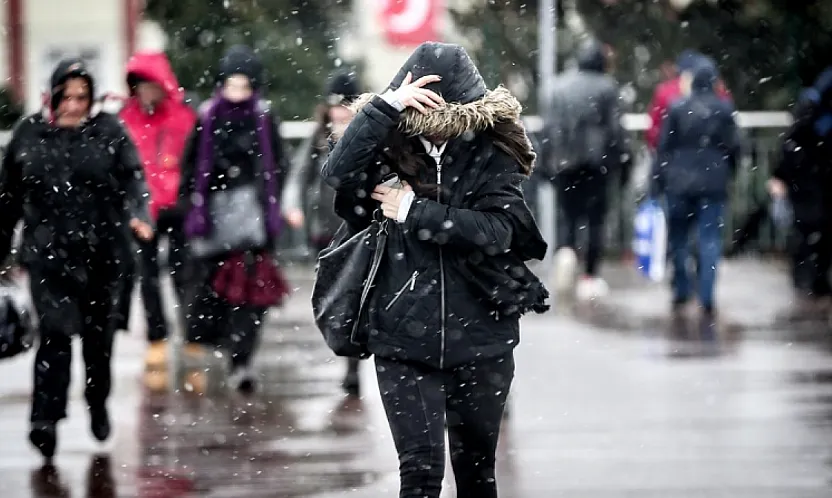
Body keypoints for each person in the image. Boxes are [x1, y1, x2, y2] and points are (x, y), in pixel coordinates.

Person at [322, 41, 548, 498]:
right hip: (402, 336)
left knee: (477, 475)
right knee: (420, 476)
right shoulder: (386, 146)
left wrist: (415, 211)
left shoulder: (490, 152)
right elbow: (337, 174)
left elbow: (500, 229)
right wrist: (384, 107)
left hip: (482, 335)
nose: (437, 133)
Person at [0, 58, 153, 458]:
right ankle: (44, 420)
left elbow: (135, 179)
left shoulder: (109, 132)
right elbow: (7, 199)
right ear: (51, 97)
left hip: (103, 256)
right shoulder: (29, 134)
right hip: (47, 257)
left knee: (97, 343)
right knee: (54, 337)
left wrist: (139, 215)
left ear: (91, 99)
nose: (73, 105)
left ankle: (97, 402)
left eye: (81, 98)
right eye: (65, 97)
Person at [179, 45, 290, 394]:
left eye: (244, 85)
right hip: (211, 223)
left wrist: (268, 207)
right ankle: (224, 347)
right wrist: (193, 206)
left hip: (253, 225)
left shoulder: (263, 118)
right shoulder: (207, 117)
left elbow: (278, 167)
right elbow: (190, 167)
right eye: (232, 84)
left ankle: (242, 361)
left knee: (250, 297)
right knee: (210, 294)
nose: (238, 92)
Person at [283, 69, 363, 396]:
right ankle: (345, 349)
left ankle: (353, 364)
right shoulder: (319, 140)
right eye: (335, 105)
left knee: (356, 296)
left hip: (359, 228)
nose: (340, 112)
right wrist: (293, 206)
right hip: (326, 232)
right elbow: (299, 176)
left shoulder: (367, 135)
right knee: (335, 298)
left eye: (346, 105)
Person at [119, 51, 197, 385]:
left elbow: (194, 162)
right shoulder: (126, 119)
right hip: (143, 213)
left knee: (184, 276)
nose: (146, 92)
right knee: (147, 277)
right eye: (140, 86)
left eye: (151, 85)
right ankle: (157, 339)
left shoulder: (183, 116)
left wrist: (186, 197)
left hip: (177, 208)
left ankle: (191, 336)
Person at [653, 58, 740, 329]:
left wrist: (657, 181)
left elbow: (663, 148)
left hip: (679, 183)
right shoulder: (724, 110)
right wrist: (728, 173)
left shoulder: (677, 107)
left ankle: (681, 291)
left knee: (678, 239)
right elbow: (735, 147)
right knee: (709, 239)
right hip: (713, 184)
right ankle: (706, 295)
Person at [547, 39, 632, 299]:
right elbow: (616, 131)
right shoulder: (607, 88)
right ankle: (589, 276)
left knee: (567, 215)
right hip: (597, 164)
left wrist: (546, 164)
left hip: (564, 162)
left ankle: (565, 253)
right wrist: (622, 163)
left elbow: (550, 129)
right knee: (595, 220)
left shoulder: (559, 87)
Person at [768, 67, 832, 312]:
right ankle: (812, 280)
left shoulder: (810, 112)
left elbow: (789, 145)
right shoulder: (815, 115)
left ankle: (809, 280)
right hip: (812, 183)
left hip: (808, 183)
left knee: (808, 231)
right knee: (813, 231)